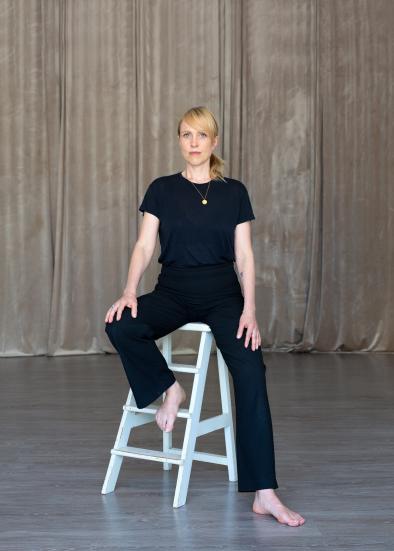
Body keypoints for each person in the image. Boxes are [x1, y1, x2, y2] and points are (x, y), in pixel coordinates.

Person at [104, 106, 305, 527]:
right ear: (179, 141)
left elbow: (245, 255)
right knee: (119, 324)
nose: (192, 143)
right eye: (185, 135)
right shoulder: (161, 189)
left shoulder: (234, 192)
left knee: (251, 371)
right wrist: (128, 290)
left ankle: (264, 492)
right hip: (173, 290)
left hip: (223, 297)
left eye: (201, 136)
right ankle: (168, 389)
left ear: (214, 142)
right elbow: (144, 247)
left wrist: (249, 309)